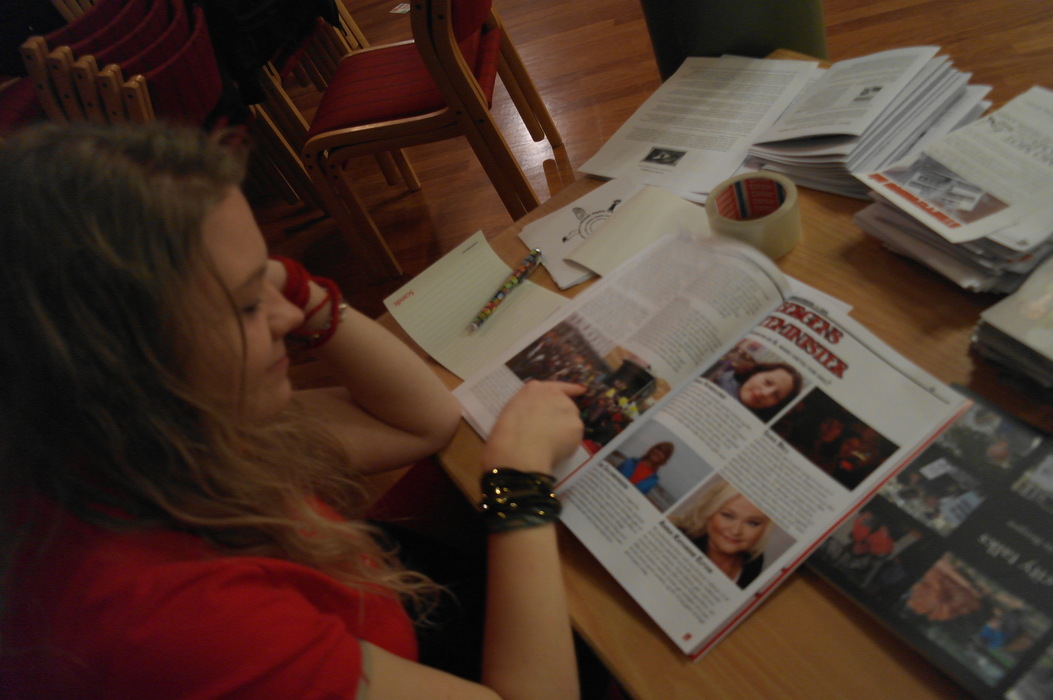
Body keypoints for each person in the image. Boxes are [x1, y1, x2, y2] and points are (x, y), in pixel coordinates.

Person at [0, 122, 586, 699]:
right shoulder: (175, 624)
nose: (287, 315)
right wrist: (518, 483)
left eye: (270, 277)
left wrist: (290, 284)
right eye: (249, 305)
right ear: (126, 363)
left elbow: (420, 421)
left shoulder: (136, 435)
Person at [670, 481, 772, 589]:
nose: (736, 531)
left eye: (752, 523)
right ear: (709, 512)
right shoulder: (676, 537)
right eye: (728, 516)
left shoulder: (755, 561)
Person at [707, 359, 803, 421]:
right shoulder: (713, 372)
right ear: (756, 373)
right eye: (767, 382)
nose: (765, 393)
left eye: (776, 396)